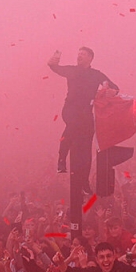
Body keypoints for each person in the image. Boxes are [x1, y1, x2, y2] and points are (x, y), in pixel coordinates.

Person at [47, 47, 118, 185]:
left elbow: (114, 87)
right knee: (72, 126)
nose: (79, 56)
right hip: (71, 109)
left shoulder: (96, 74)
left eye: (83, 54)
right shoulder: (72, 70)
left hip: (86, 113)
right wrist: (52, 61)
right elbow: (54, 67)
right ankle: (61, 160)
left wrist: (111, 91)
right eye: (78, 53)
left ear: (90, 58)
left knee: (86, 147)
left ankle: (85, 181)